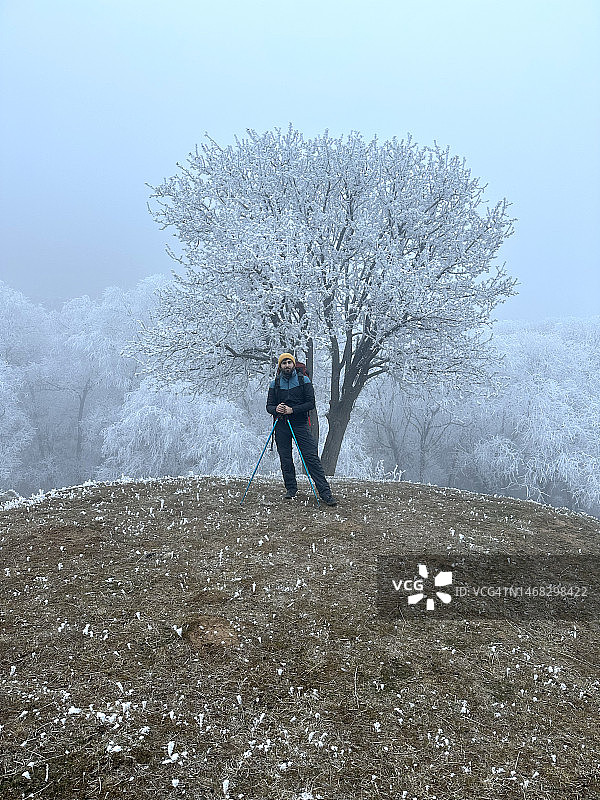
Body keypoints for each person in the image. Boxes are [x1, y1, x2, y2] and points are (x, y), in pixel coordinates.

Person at [266, 353, 337, 506]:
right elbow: (269, 406)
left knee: (311, 458)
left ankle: (325, 493)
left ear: (293, 364)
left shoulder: (303, 380)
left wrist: (293, 410)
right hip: (281, 425)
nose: (286, 365)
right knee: (285, 459)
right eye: (283, 363)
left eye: (289, 362)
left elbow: (310, 403)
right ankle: (291, 489)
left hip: (300, 424)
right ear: (280, 366)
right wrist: (276, 408)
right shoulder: (274, 383)